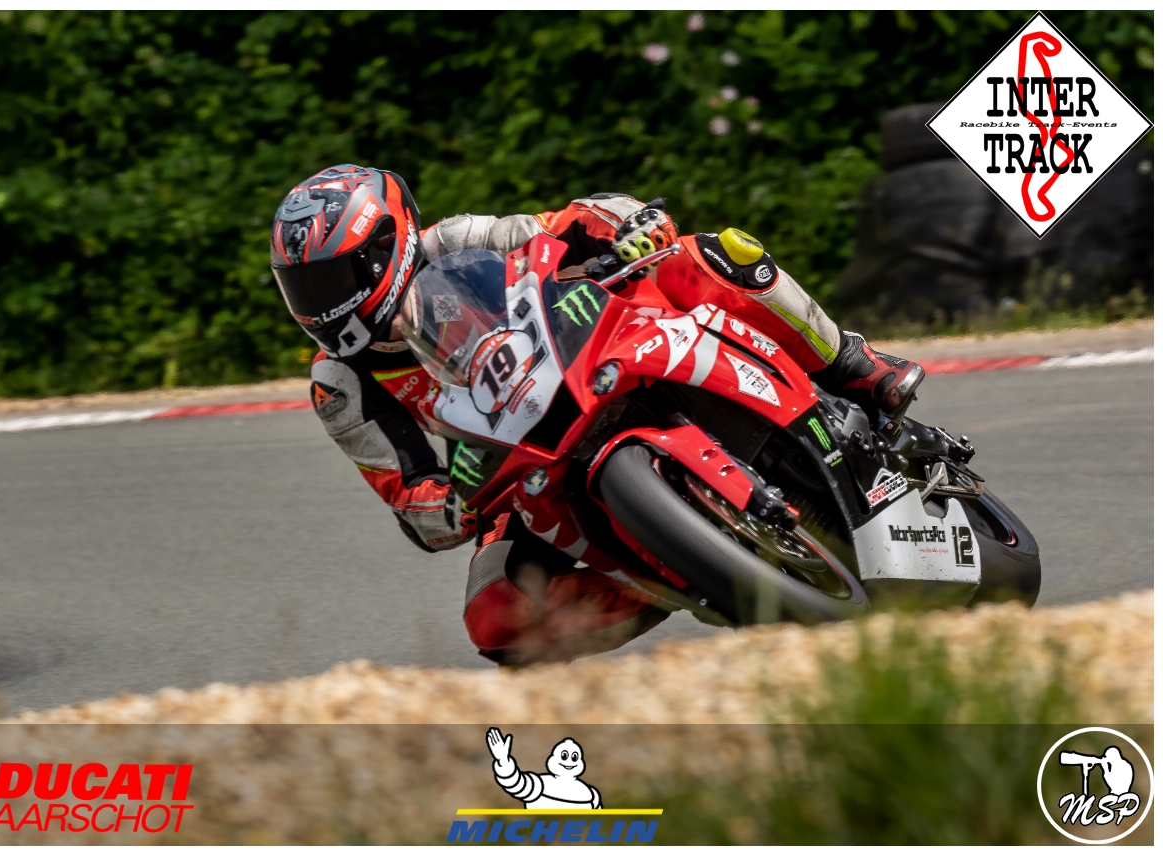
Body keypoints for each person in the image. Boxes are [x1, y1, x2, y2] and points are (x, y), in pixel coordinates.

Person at [271, 163, 924, 664]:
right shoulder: (340, 386)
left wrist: (631, 227)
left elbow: (573, 220)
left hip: (590, 349)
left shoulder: (458, 242)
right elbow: (412, 499)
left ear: (387, 248)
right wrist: (456, 501)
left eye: (332, 281)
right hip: (517, 467)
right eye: (302, 288)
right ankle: (681, 574)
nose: (319, 306)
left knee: (708, 254)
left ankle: (855, 366)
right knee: (493, 616)